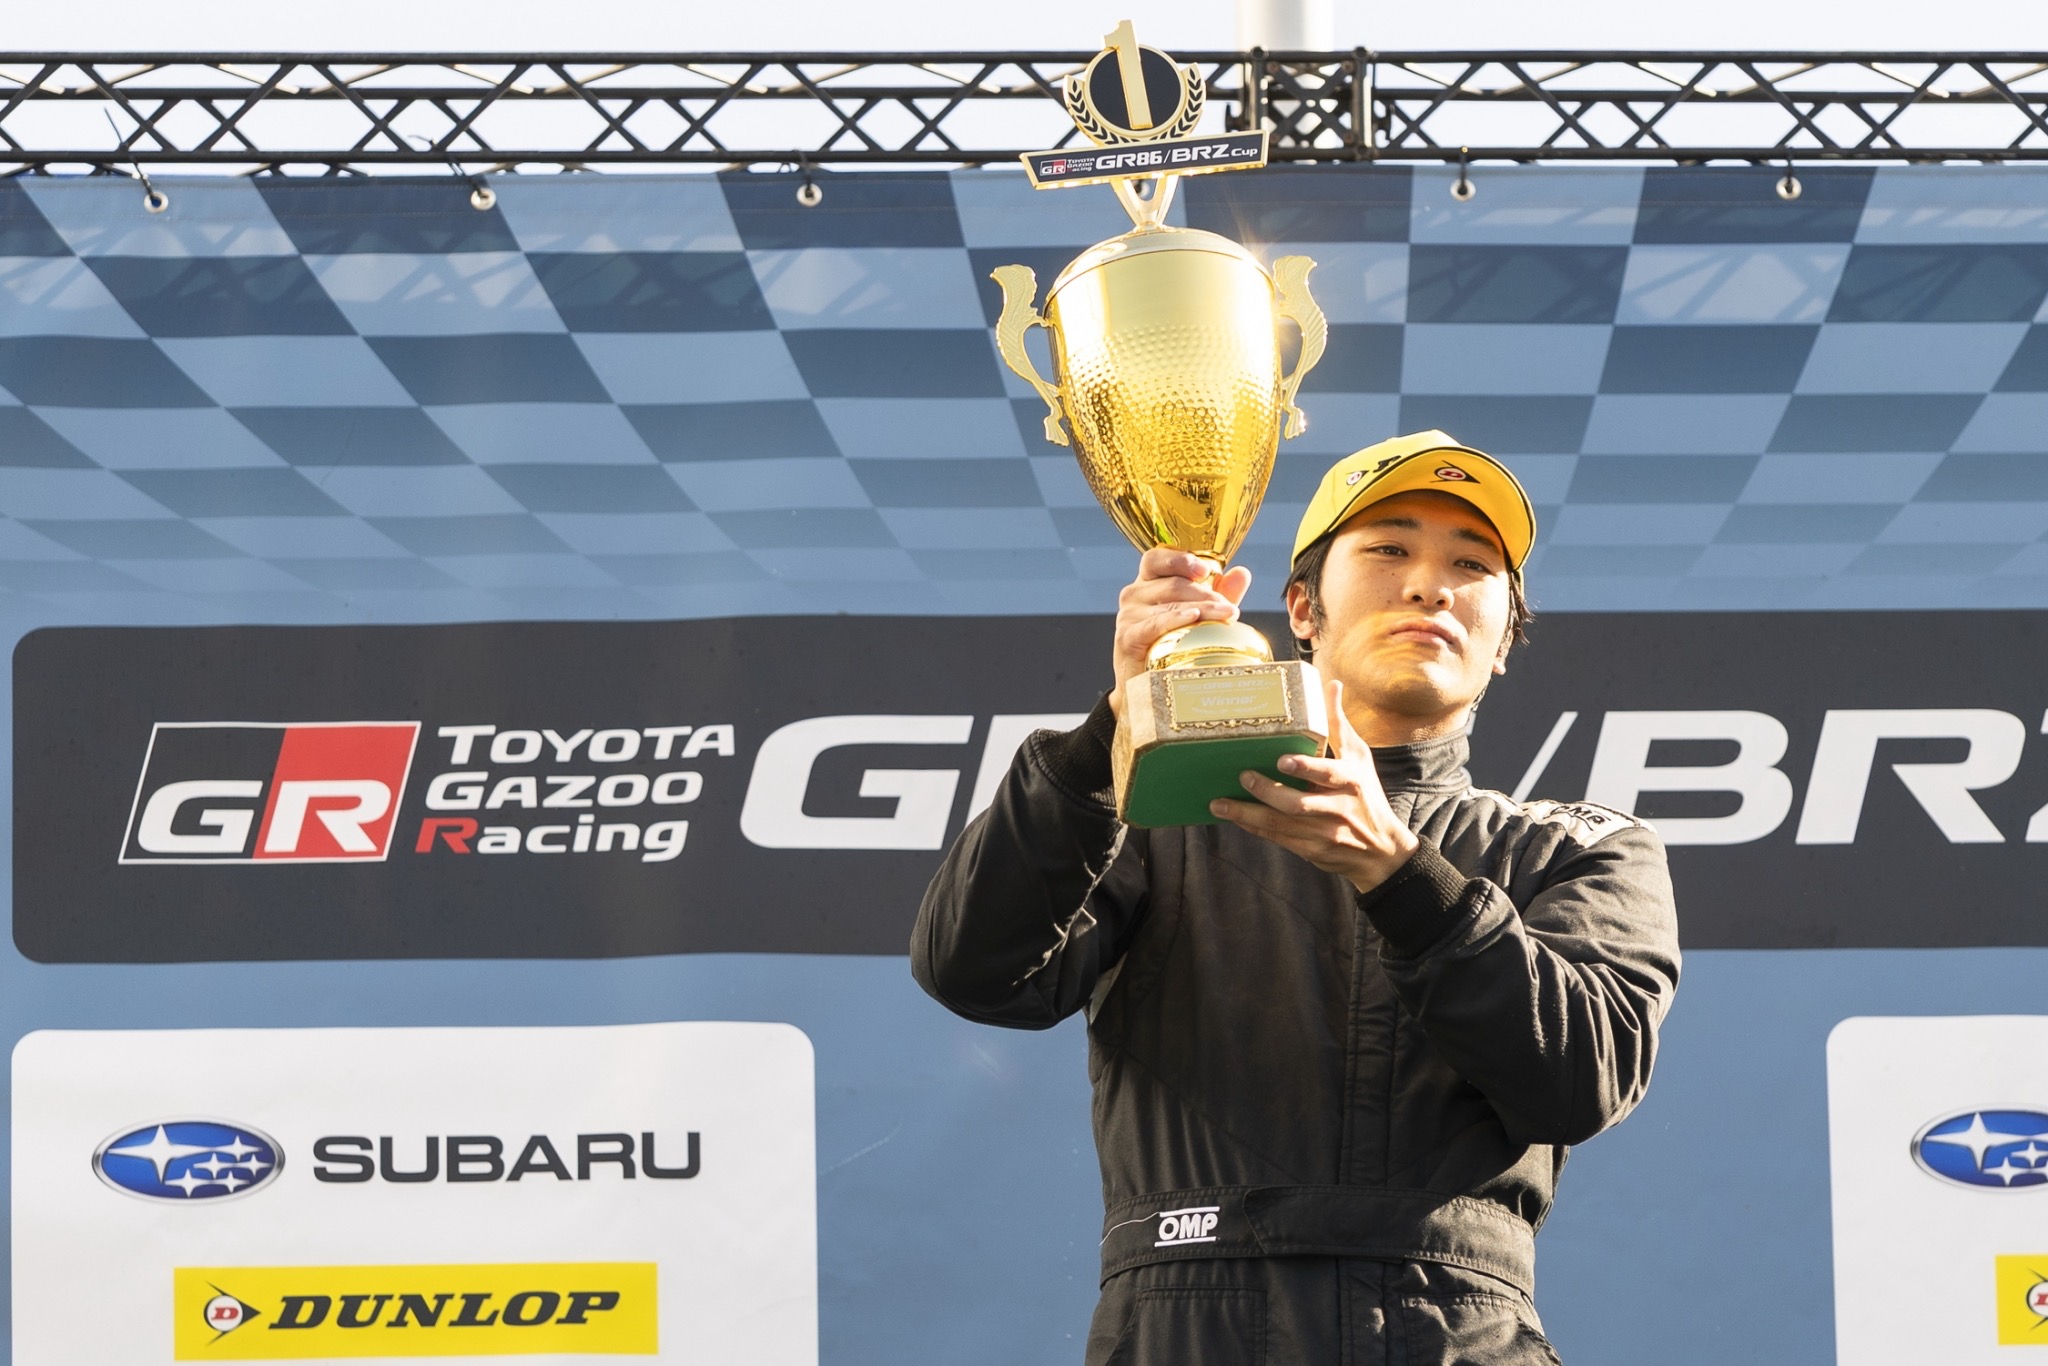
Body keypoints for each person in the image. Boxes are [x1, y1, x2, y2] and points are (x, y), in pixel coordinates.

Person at [912, 429, 1680, 1365]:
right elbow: (975, 972)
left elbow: (1580, 1080)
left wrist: (1400, 873)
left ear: (1504, 642)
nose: (1430, 586)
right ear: (1303, 609)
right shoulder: (1158, 813)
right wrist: (1110, 734)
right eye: (1389, 548)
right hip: (1181, 1326)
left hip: (1457, 1330)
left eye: (1472, 565)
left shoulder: (1580, 846)